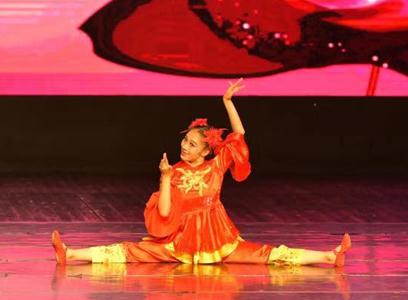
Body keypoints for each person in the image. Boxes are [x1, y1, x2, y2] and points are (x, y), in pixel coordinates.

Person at [52, 78, 351, 267]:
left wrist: (228, 103)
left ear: (206, 151)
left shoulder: (216, 165)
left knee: (264, 254)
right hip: (180, 242)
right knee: (132, 252)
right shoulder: (176, 171)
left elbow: (238, 136)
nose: (185, 147)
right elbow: (165, 213)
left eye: (192, 144)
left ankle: (329, 255)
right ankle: (71, 253)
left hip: (217, 237)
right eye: (184, 141)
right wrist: (165, 177)